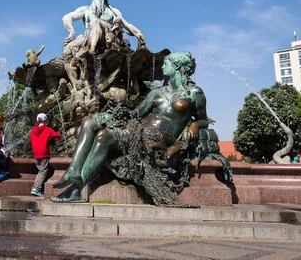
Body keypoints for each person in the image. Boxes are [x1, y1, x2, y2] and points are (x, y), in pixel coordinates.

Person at [52, 51, 207, 202]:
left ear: (177, 66)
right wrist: (118, 112)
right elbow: (136, 114)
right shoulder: (156, 92)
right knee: (89, 120)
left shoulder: (194, 93)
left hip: (156, 135)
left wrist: (195, 124)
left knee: (103, 136)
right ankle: (73, 170)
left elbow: (203, 119)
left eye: (166, 64)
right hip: (136, 127)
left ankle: (76, 190)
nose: (161, 67)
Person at [30, 113, 61, 197]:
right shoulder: (47, 129)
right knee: (43, 171)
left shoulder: (33, 131)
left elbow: (31, 141)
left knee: (40, 171)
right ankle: (36, 188)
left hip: (36, 153)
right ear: (45, 120)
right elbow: (57, 136)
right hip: (44, 153)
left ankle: (34, 188)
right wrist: (58, 134)